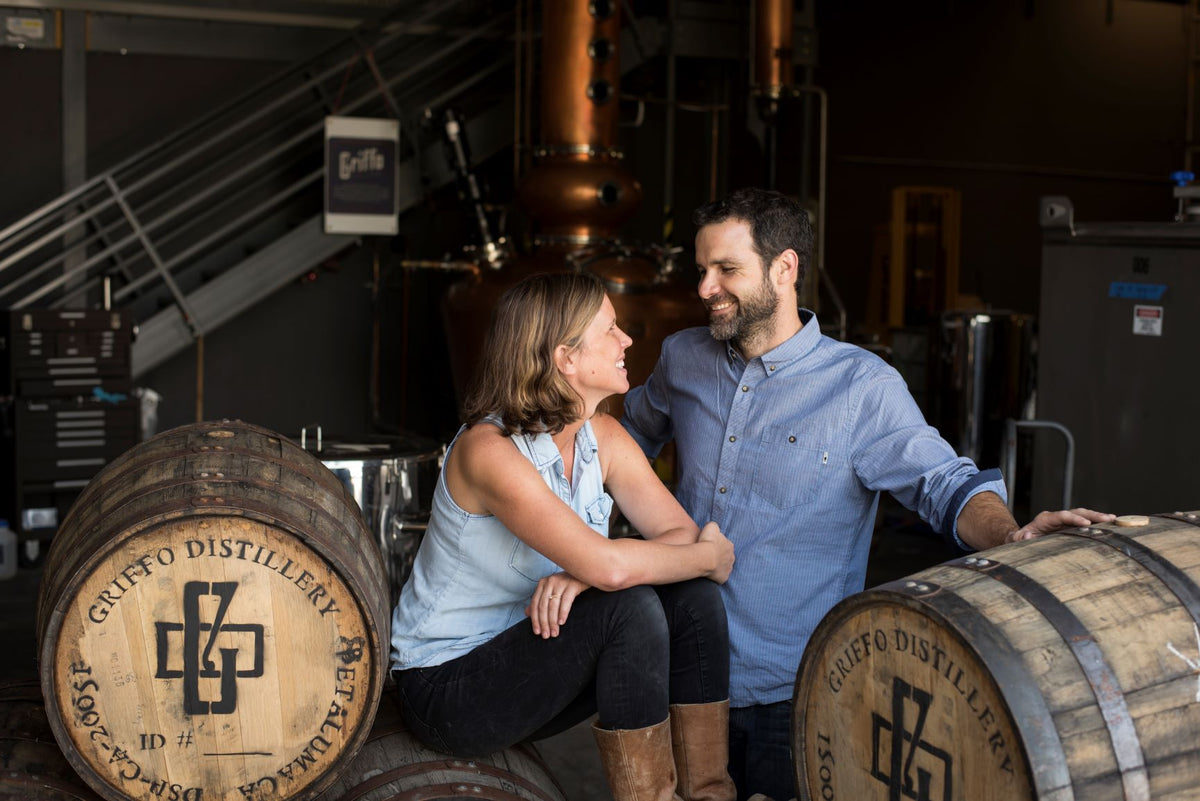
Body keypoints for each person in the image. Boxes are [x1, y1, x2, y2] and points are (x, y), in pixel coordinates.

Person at [620, 187, 1115, 801]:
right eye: (701, 270)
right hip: (681, 675)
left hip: (792, 689)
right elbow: (622, 445)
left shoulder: (862, 387)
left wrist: (1010, 534)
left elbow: (943, 483)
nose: (704, 288)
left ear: (785, 268)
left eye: (726, 269)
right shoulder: (682, 357)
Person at [391, 271, 741, 801]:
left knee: (691, 598)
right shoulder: (488, 452)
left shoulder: (603, 435)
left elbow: (678, 535)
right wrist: (699, 558)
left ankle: (708, 792)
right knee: (630, 605)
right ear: (565, 359)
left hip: (531, 659)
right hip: (448, 687)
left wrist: (590, 575)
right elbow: (651, 561)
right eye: (610, 330)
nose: (627, 341)